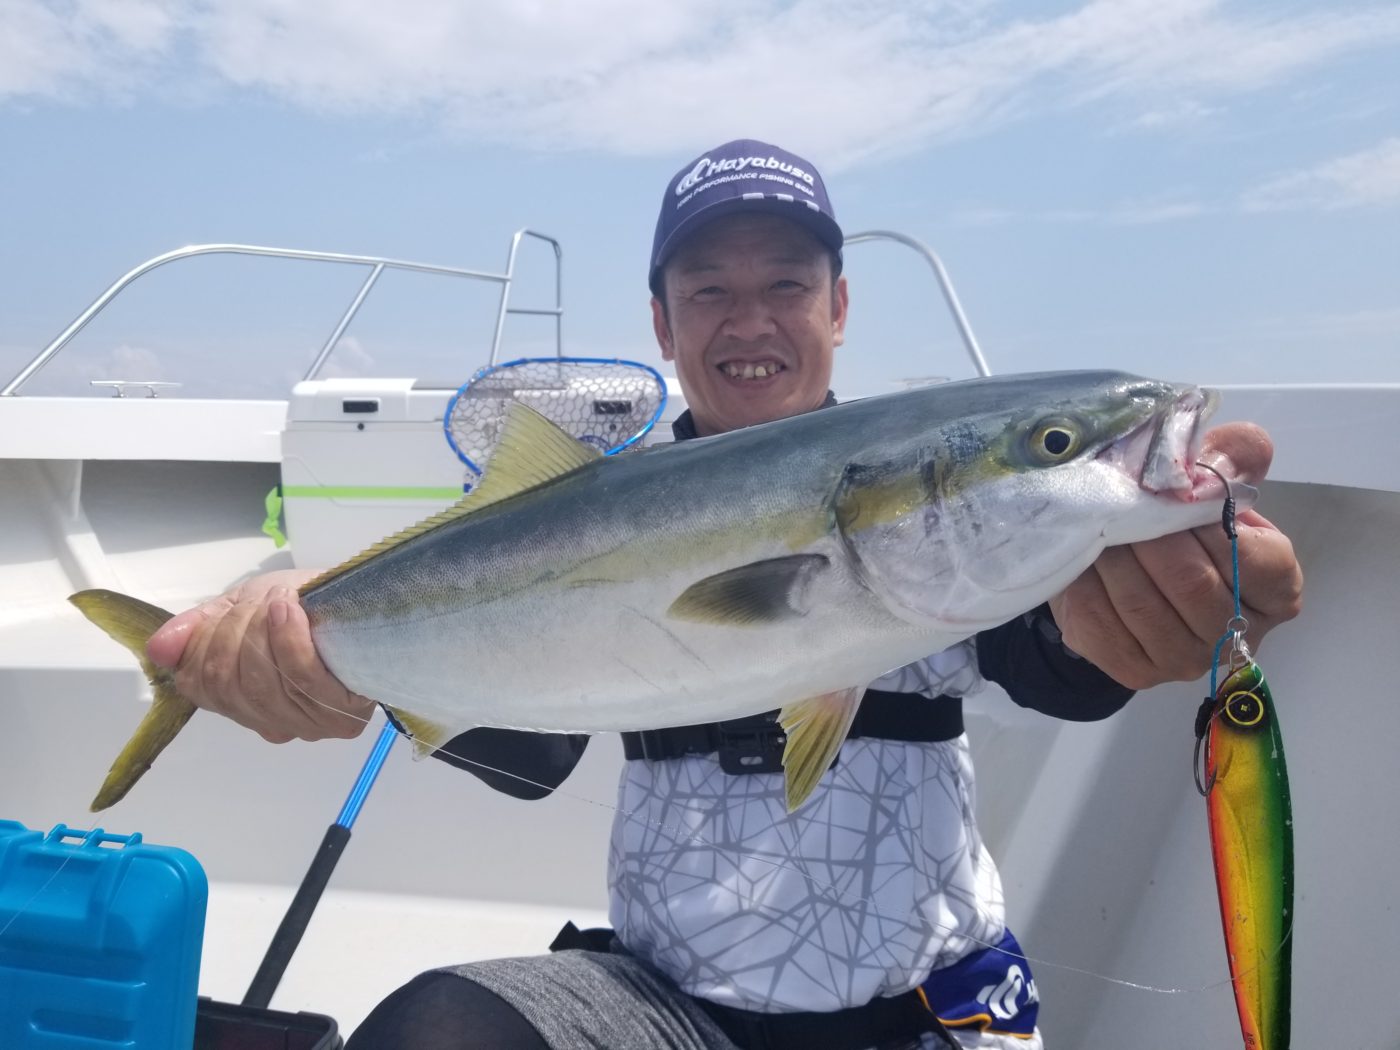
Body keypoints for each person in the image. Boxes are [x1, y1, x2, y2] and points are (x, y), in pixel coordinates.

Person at [147, 140, 1304, 1049]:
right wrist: (311, 634)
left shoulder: (951, 529)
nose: (748, 320)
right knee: (431, 1029)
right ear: (661, 322)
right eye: (707, 291)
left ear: (837, 308)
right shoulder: (592, 505)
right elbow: (520, 747)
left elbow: (1059, 651)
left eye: (785, 285)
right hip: (662, 1007)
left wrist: (1168, 613)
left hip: (928, 1014)